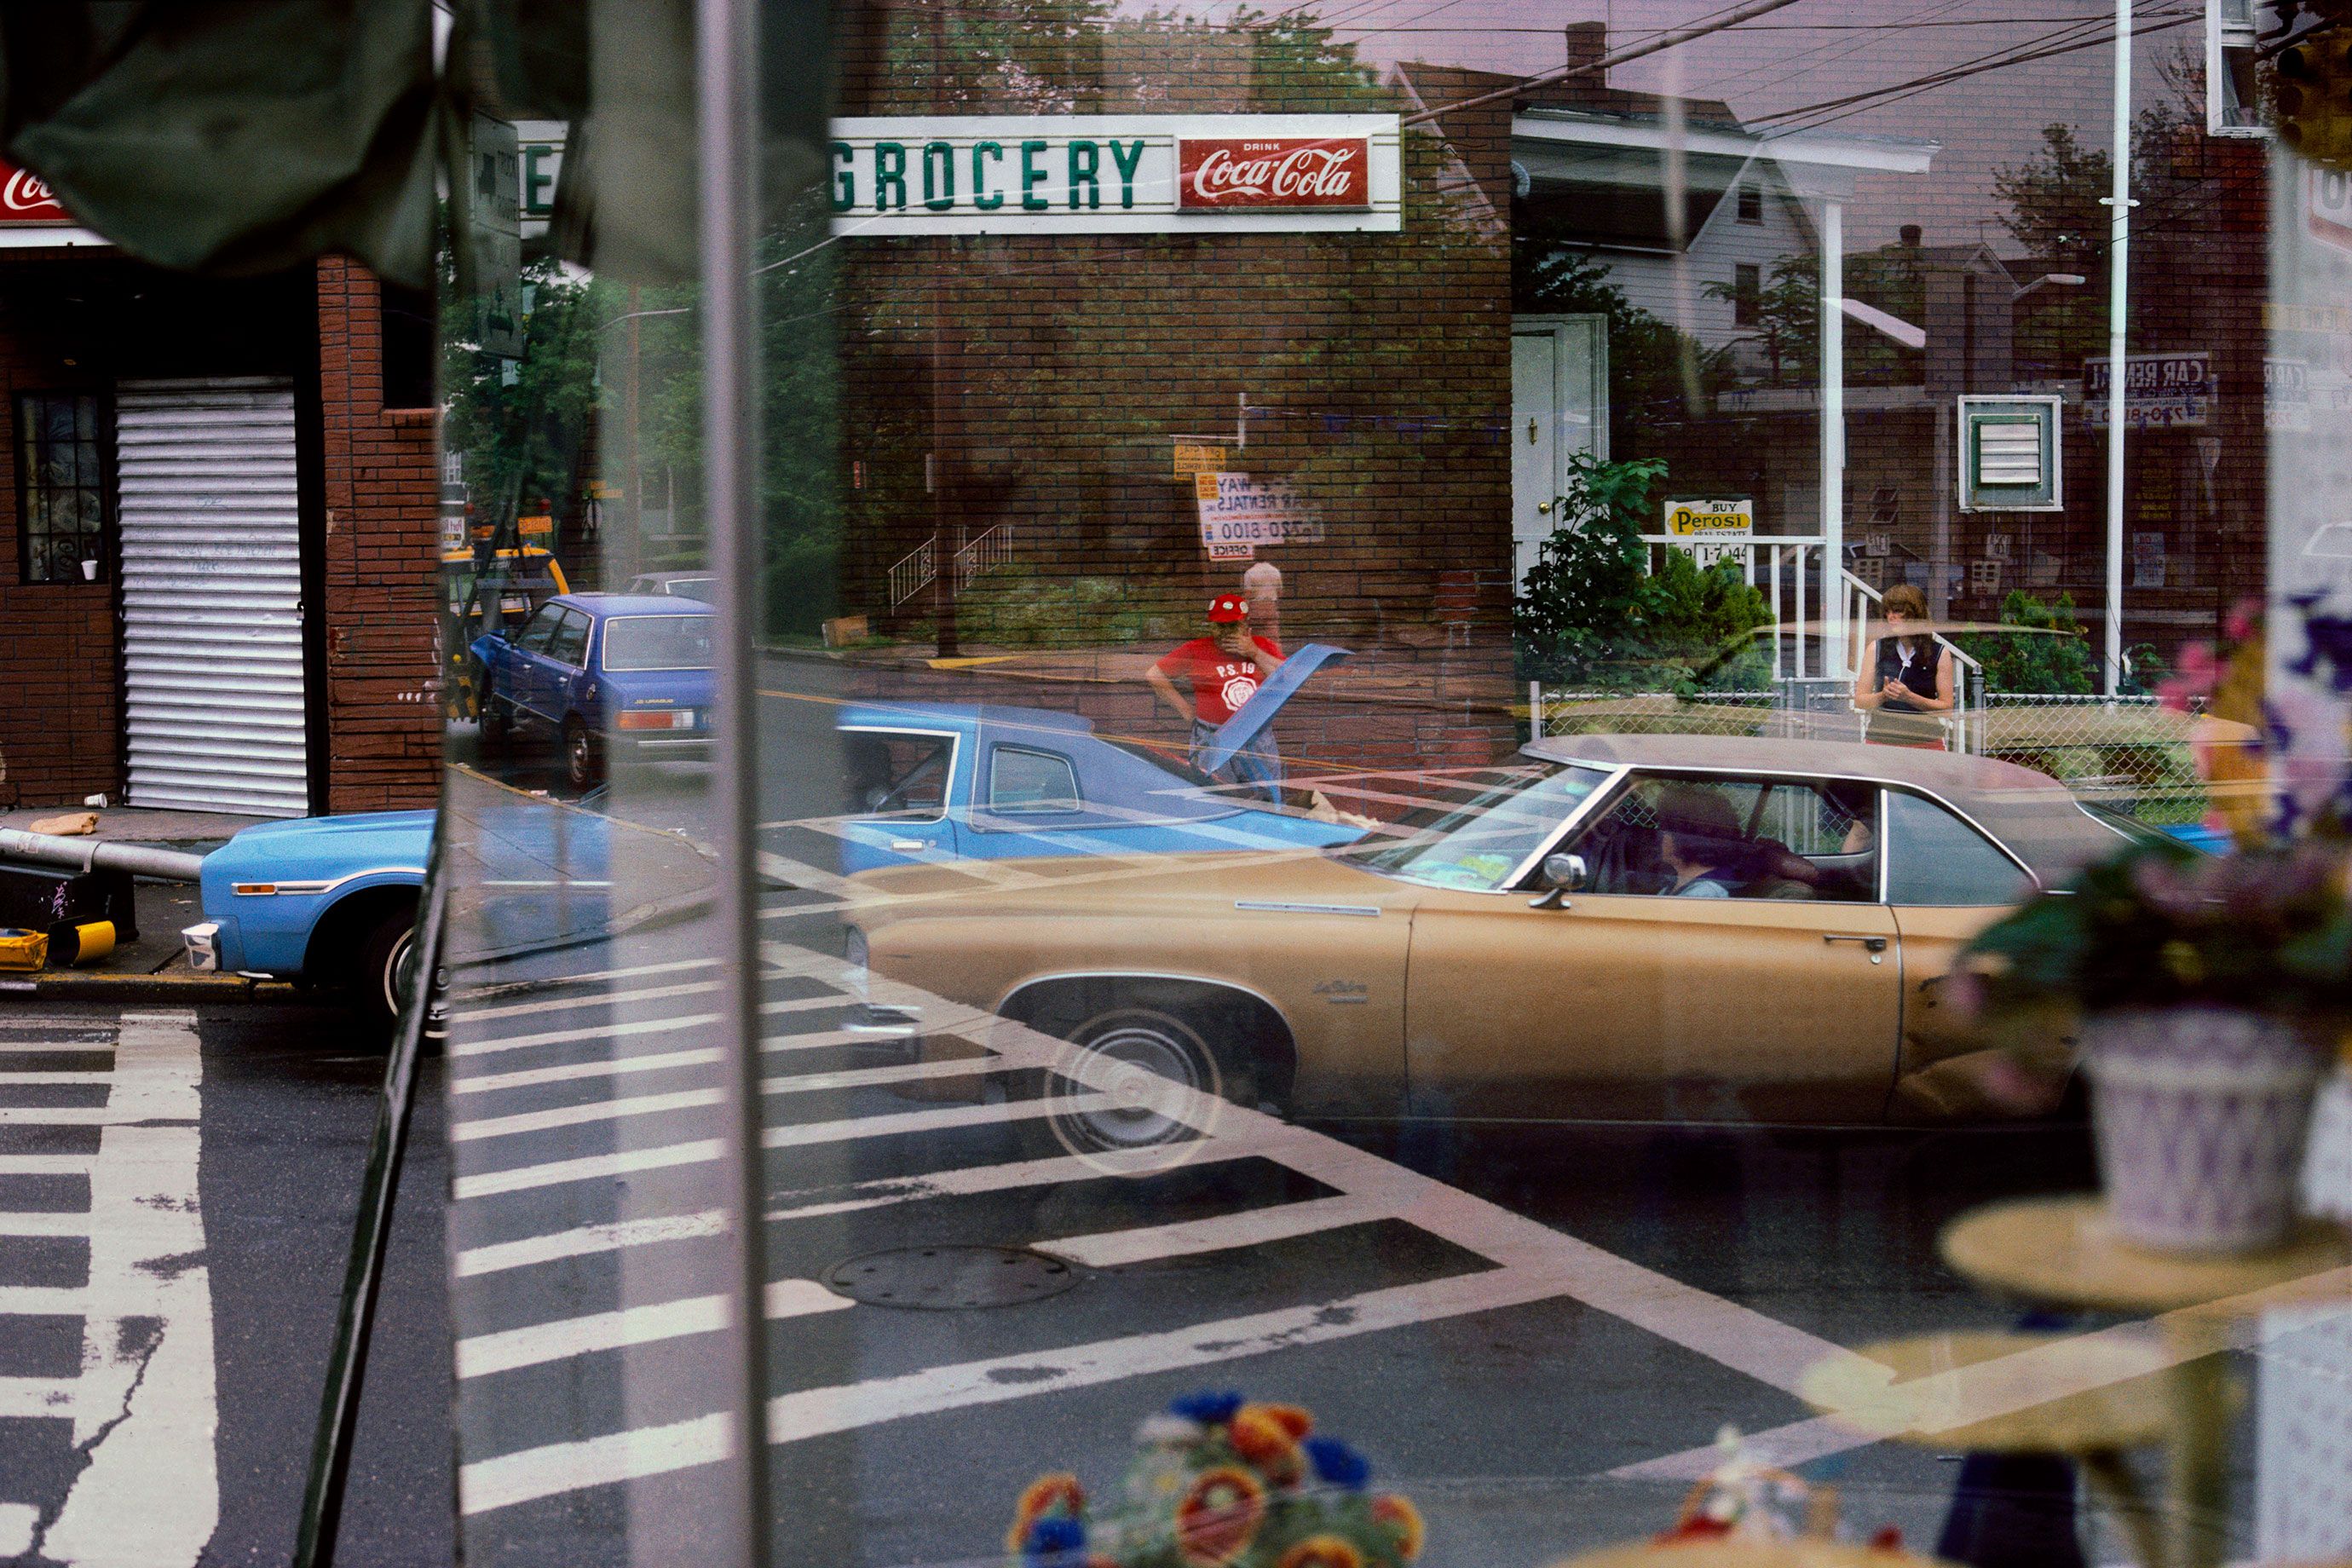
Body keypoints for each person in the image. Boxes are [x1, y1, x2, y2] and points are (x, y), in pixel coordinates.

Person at [1146, 593, 1285, 800]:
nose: (1225, 632)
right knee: (1214, 797)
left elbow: (1285, 679)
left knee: (1267, 797)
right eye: (1220, 626)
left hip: (1255, 736)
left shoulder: (1263, 646)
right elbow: (1154, 674)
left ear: (1246, 626)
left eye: (1232, 626)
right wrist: (1185, 709)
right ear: (1212, 626)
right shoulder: (1197, 649)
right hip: (1213, 736)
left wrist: (1253, 652)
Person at [1853, 582, 1956, 747]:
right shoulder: (1876, 648)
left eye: (1897, 611)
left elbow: (1946, 708)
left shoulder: (1939, 653)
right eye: (1887, 612)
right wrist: (1883, 696)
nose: (1891, 617)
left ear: (1915, 614)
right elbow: (1860, 701)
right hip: (1882, 739)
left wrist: (1909, 697)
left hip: (1925, 740)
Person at [1652, 783, 1748, 898]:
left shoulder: (1705, 894)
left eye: (1664, 828)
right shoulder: (1680, 883)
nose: (1660, 835)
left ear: (1684, 838)